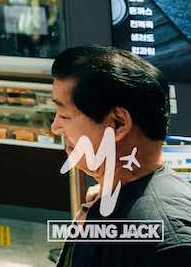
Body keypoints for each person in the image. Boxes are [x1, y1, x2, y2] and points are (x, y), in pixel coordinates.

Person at [50, 46, 191, 266]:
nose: (55, 127)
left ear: (118, 124)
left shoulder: (164, 243)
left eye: (65, 115)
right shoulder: (112, 201)